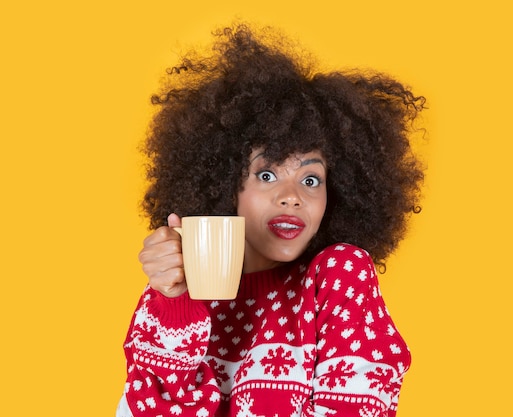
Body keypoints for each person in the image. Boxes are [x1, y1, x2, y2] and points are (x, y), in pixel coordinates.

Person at [117, 22, 426, 417]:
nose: (292, 197)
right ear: (226, 183)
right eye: (267, 174)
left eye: (311, 179)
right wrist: (175, 303)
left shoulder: (339, 277)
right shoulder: (176, 293)